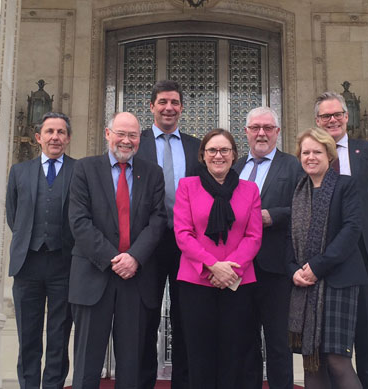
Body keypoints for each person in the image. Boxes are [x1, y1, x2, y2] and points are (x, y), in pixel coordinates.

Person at [68, 112, 167, 389]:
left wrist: (134, 257)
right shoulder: (85, 169)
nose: (126, 140)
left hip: (135, 279)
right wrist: (114, 259)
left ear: (139, 139)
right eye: (121, 133)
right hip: (93, 274)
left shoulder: (152, 173)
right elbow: (79, 221)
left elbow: (158, 221)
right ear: (107, 133)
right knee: (87, 361)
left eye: (133, 135)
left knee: (132, 364)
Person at [174, 128, 263, 389]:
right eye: (212, 150)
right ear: (203, 155)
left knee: (234, 354)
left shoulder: (250, 190)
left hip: (238, 284)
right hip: (196, 282)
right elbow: (183, 233)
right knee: (199, 354)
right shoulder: (187, 186)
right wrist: (212, 265)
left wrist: (230, 270)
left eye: (225, 150)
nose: (218, 155)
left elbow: (254, 236)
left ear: (234, 155)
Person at [314, 92, 368, 389]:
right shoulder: (313, 154)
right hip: (326, 257)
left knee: (366, 336)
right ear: (317, 121)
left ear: (346, 117)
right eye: (325, 116)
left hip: (364, 254)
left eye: (337, 115)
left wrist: (360, 230)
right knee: (331, 335)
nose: (332, 120)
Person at [289, 127, 365, 389]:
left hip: (338, 282)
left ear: (329, 155)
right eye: (305, 152)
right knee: (313, 361)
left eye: (317, 152)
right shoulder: (297, 192)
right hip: (306, 286)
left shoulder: (346, 185)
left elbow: (352, 230)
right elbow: (288, 238)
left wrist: (317, 267)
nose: (310, 157)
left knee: (336, 359)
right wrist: (294, 271)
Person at [233, 107, 303, 389]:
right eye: (255, 128)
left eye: (267, 128)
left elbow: (303, 207)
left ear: (277, 132)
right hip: (239, 269)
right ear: (247, 132)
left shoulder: (293, 165)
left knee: (278, 344)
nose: (261, 133)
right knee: (244, 342)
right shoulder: (235, 167)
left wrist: (272, 215)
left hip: (275, 268)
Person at [135, 80, 199, 389]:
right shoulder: (138, 143)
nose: (169, 107)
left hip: (187, 245)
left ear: (181, 108)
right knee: (145, 318)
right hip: (147, 244)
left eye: (174, 102)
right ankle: (144, 381)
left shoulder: (195, 146)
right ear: (152, 106)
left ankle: (183, 383)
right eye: (162, 102)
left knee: (185, 318)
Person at [6, 112, 75, 389]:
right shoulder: (19, 172)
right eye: (49, 132)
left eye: (60, 132)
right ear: (38, 138)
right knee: (28, 337)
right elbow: (14, 215)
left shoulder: (79, 170)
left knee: (59, 337)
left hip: (64, 264)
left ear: (68, 138)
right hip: (28, 264)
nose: (55, 137)